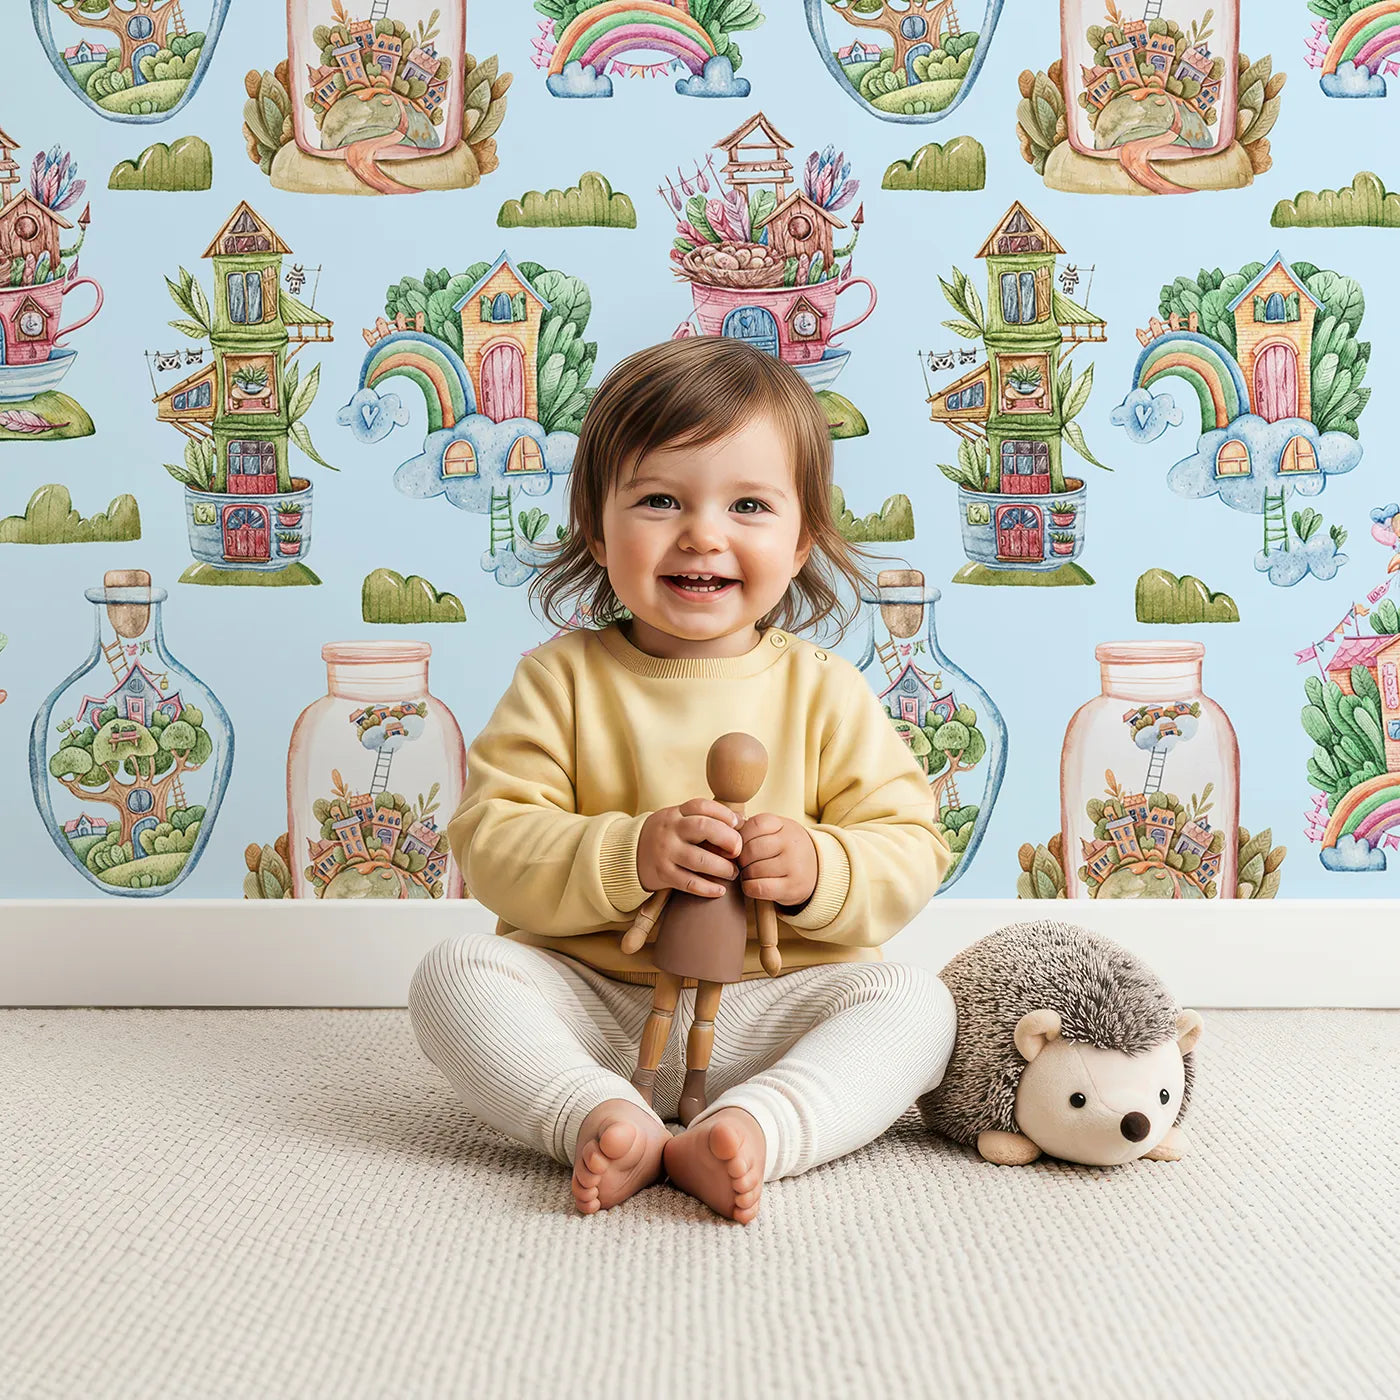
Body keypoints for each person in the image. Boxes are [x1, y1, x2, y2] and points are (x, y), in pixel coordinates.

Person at [408, 337, 956, 1224]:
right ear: (596, 524)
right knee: (455, 974)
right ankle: (597, 1115)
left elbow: (911, 848)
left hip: (773, 1012)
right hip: (594, 1003)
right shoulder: (563, 679)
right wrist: (629, 853)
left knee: (915, 1005)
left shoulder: (824, 689)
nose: (703, 533)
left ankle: (753, 1129)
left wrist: (821, 868)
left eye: (749, 505)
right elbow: (493, 842)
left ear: (802, 535)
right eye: (660, 500)